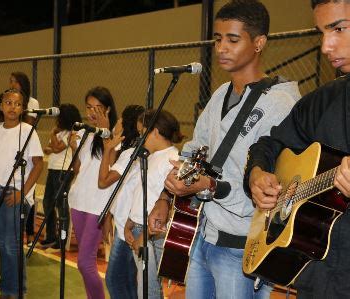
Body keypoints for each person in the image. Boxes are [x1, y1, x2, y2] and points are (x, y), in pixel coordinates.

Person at [147, 1, 301, 298]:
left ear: (258, 43)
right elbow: (192, 153)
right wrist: (167, 195)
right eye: (218, 39)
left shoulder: (281, 105)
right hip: (203, 234)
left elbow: (278, 185)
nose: (221, 48)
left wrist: (210, 186)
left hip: (242, 247)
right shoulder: (219, 95)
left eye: (232, 39)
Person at [244, 1, 350, 298]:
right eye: (322, 32)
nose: (326, 46)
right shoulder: (324, 100)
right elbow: (270, 143)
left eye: (339, 29)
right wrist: (257, 173)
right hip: (317, 279)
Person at [0, 88, 43, 298]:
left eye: (17, 104)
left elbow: (38, 165)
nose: (12, 107)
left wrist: (22, 193)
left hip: (14, 193)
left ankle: (17, 291)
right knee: (2, 243)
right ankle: (5, 288)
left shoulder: (28, 131)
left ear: (23, 108)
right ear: (0, 106)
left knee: (12, 245)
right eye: (8, 102)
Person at [123, 109, 183, 299]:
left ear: (155, 131)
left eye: (143, 133)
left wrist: (145, 235)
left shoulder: (172, 159)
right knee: (144, 285)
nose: (141, 138)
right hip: (139, 228)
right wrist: (129, 222)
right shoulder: (152, 156)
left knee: (148, 290)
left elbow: (165, 206)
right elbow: (142, 193)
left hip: (152, 232)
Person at [68, 86, 118, 299]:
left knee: (85, 262)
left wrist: (108, 133)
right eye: (89, 107)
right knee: (83, 261)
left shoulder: (116, 136)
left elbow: (113, 170)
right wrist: (73, 148)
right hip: (78, 200)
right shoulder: (84, 133)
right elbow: (78, 169)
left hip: (98, 205)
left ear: (108, 110)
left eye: (98, 108)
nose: (92, 113)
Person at [98, 104, 145, 298]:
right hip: (127, 221)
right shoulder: (132, 152)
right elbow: (118, 187)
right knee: (127, 279)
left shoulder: (130, 154)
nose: (117, 123)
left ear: (126, 124)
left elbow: (103, 181)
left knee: (114, 278)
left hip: (130, 226)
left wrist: (108, 146)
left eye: (119, 120)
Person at [40, 103, 82, 249]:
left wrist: (52, 135)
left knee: (61, 204)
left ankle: (62, 238)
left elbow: (56, 148)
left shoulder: (72, 132)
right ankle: (51, 235)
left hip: (64, 170)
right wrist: (53, 145)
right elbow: (48, 148)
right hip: (53, 169)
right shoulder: (61, 132)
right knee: (47, 202)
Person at [9, 71, 40, 246]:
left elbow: (30, 123)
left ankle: (29, 231)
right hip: (13, 146)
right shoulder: (8, 99)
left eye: (16, 82)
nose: (13, 84)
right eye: (10, 81)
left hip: (27, 147)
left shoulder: (32, 102)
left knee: (28, 191)